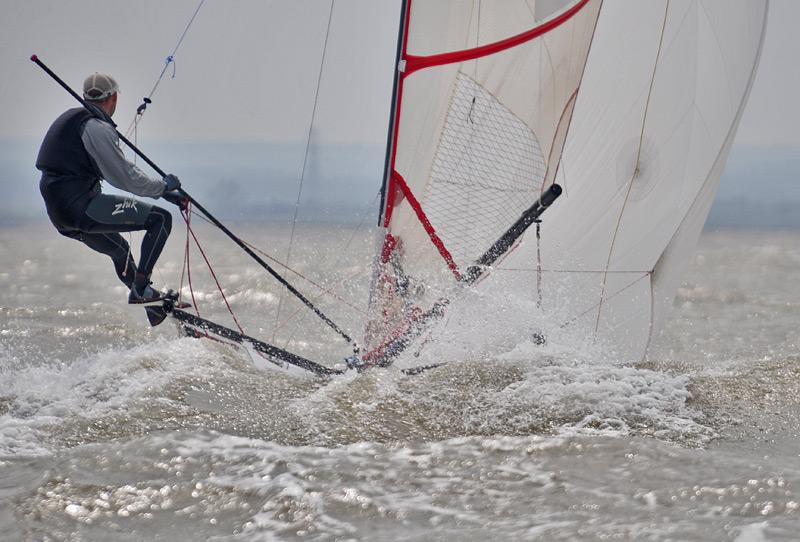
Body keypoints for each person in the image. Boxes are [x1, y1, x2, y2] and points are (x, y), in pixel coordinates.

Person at [36, 72, 187, 305]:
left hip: (60, 214)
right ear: (114, 97)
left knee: (120, 250)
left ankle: (151, 303)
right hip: (81, 207)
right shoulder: (96, 127)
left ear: (85, 97)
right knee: (160, 220)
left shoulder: (71, 119)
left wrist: (165, 193)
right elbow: (124, 176)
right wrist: (163, 186)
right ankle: (140, 288)